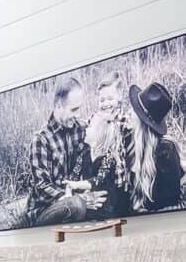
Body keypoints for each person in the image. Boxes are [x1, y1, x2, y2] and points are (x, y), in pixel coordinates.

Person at [29, 76, 107, 225]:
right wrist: (76, 198)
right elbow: (42, 185)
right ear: (58, 106)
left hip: (79, 199)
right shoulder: (41, 139)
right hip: (47, 208)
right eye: (74, 109)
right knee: (76, 205)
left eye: (80, 108)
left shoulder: (82, 129)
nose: (78, 114)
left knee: (105, 199)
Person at [125, 81, 184, 213]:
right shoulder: (129, 141)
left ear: (141, 120)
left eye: (134, 110)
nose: (129, 112)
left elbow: (169, 202)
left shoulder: (166, 151)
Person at [76, 111, 131, 219]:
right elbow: (74, 174)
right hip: (90, 206)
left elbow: (98, 180)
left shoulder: (109, 158)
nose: (86, 129)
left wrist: (76, 185)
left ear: (99, 133)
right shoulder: (84, 154)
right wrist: (70, 188)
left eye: (90, 126)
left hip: (108, 209)